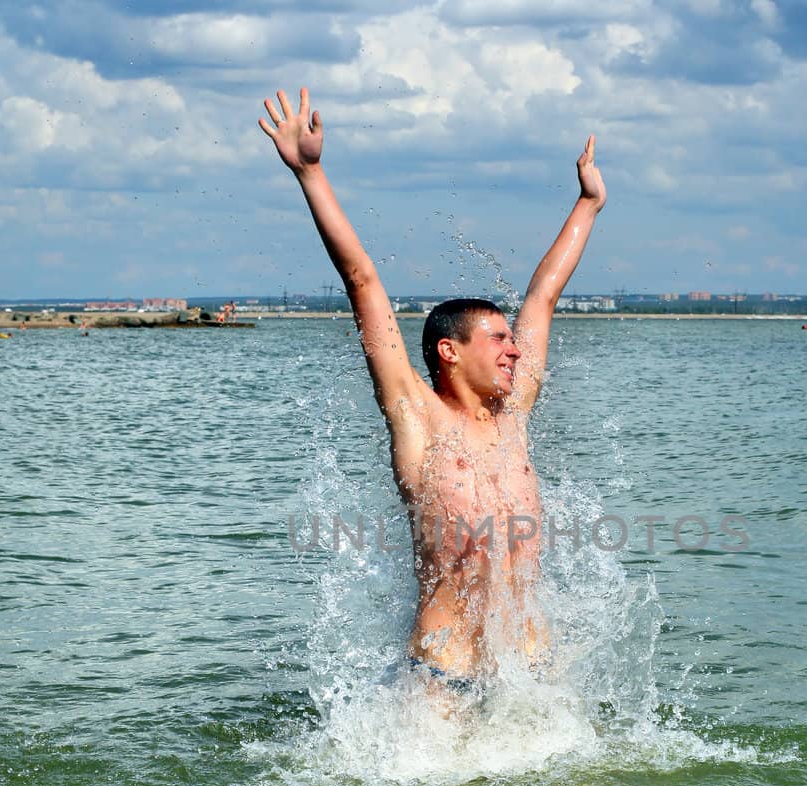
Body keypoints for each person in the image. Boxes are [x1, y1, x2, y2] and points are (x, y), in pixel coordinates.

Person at [259, 87, 606, 685]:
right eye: (497, 339)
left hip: (533, 681)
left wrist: (589, 204)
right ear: (449, 351)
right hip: (446, 675)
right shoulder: (416, 417)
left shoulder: (513, 415)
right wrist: (310, 173)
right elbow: (362, 280)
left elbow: (543, 299)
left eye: (511, 338)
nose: (514, 348)